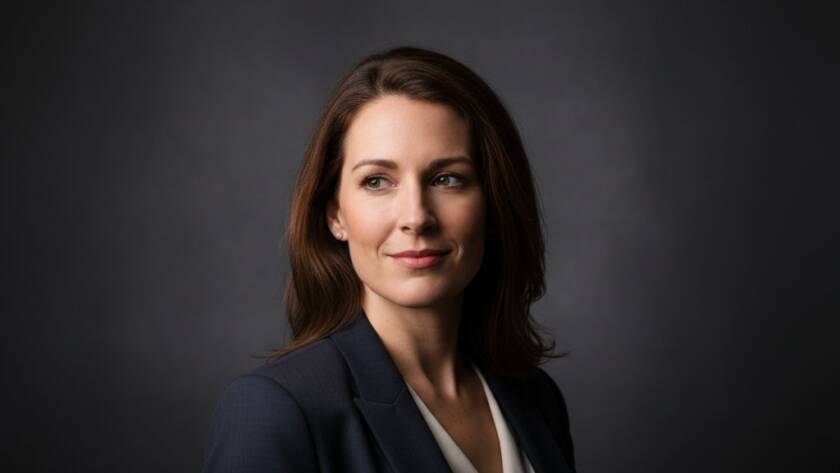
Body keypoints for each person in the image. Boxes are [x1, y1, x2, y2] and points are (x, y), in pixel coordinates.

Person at [201, 46, 576, 473]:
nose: (416, 217)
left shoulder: (536, 398)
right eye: (377, 181)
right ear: (335, 214)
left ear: (493, 202)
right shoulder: (276, 410)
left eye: (446, 179)